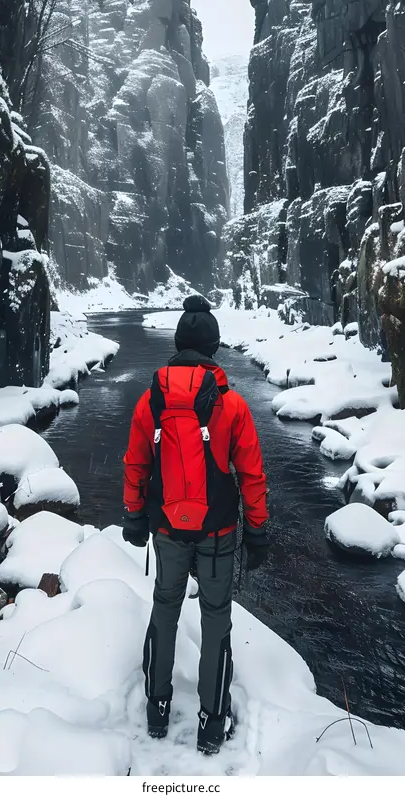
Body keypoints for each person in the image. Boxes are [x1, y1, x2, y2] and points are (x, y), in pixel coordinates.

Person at [122, 295, 269, 757]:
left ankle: (157, 707)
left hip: (166, 528)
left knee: (164, 609)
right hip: (218, 531)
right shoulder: (233, 405)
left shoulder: (151, 400)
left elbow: (136, 463)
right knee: (215, 619)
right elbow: (251, 474)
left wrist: (133, 515)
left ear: (178, 345)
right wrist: (259, 531)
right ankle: (211, 721)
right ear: (214, 349)